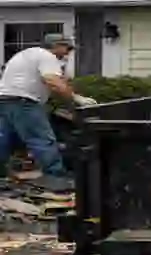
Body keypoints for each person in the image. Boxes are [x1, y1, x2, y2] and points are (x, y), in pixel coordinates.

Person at [0, 35, 93, 178]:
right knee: (42, 139)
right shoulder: (47, 56)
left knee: (4, 140)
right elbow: (53, 82)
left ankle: (1, 177)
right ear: (56, 46)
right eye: (67, 48)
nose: (68, 53)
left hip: (4, 101)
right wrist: (77, 99)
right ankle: (55, 177)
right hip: (24, 102)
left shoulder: (26, 54)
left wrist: (69, 107)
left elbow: (48, 85)